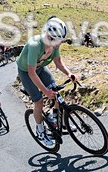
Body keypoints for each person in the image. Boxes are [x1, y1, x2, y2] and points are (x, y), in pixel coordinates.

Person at [16, 16, 77, 147]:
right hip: (27, 72)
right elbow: (31, 73)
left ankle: (55, 117)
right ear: (49, 37)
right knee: (39, 101)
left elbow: (58, 62)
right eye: (58, 40)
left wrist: (69, 73)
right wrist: (45, 91)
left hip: (40, 68)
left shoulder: (55, 44)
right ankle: (40, 129)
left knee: (55, 90)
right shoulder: (35, 44)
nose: (60, 43)